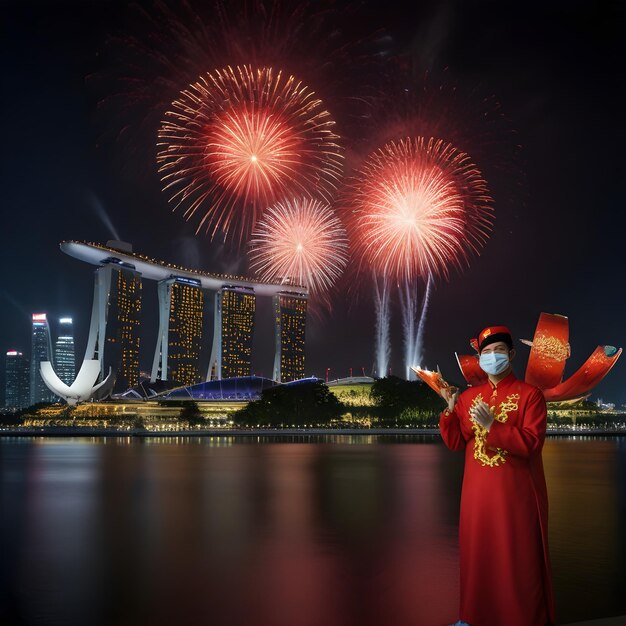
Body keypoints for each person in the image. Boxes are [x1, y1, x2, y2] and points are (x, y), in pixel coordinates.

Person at [440, 325, 555, 626]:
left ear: (512, 354)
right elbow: (456, 442)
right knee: (479, 559)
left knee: (517, 560)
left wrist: (493, 427)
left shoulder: (531, 396)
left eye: (499, 351)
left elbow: (531, 444)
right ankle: (474, 618)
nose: (492, 357)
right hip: (477, 498)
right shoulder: (468, 398)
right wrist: (450, 411)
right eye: (486, 353)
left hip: (516, 498)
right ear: (479, 359)